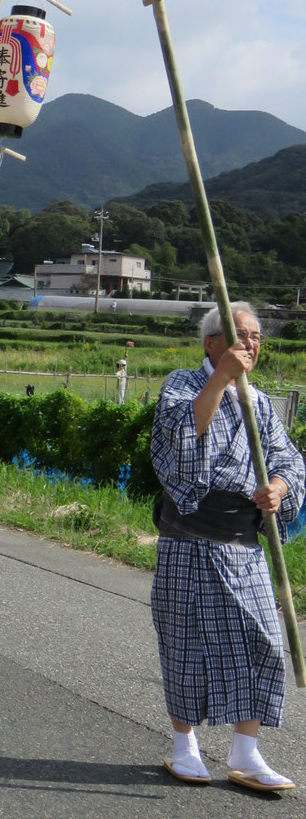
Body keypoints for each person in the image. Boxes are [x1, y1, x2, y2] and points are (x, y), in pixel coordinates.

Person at [151, 303, 305, 792]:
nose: (251, 344)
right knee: (186, 643)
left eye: (257, 336)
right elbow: (178, 443)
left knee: (264, 642)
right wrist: (219, 380)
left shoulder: (260, 404)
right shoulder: (182, 383)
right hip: (190, 538)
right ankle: (185, 747)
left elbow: (288, 459)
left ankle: (246, 754)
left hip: (243, 544)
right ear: (211, 343)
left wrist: (277, 488)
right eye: (241, 335)